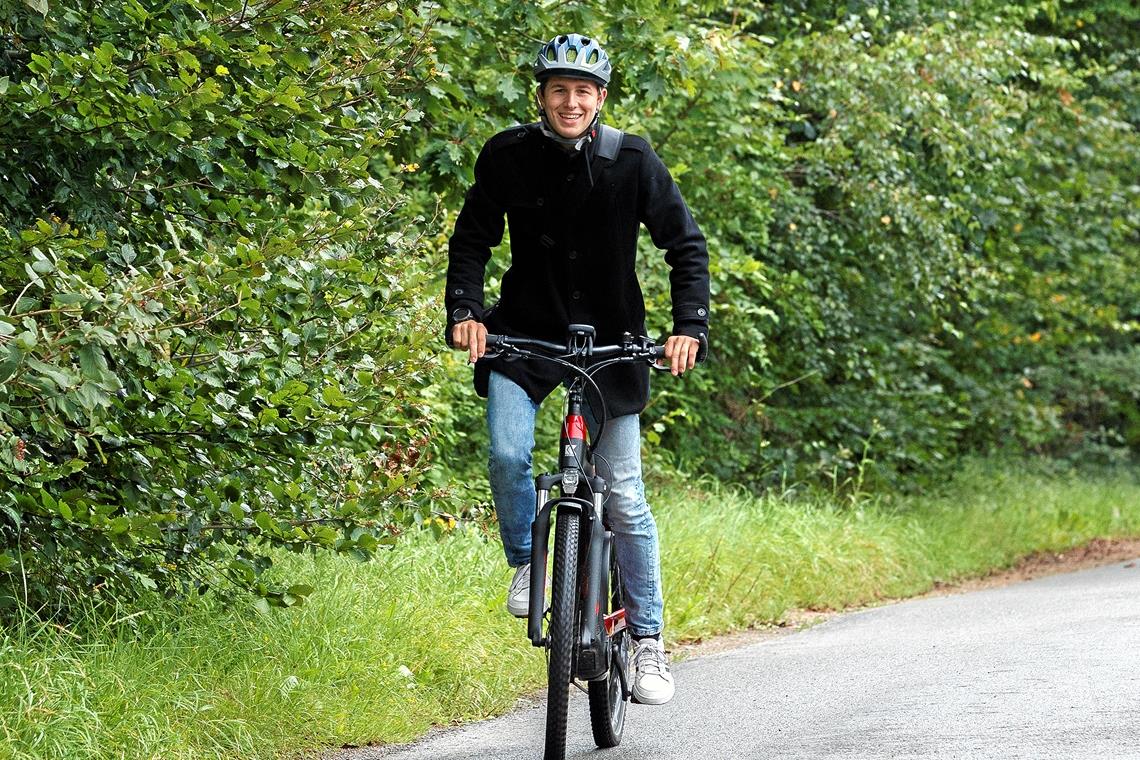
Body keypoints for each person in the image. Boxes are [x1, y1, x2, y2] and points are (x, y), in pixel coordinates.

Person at [445, 33, 710, 706]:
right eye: (558, 90)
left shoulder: (633, 161)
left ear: (601, 99)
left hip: (613, 342)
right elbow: (472, 238)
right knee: (507, 452)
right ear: (541, 96)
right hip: (523, 338)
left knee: (622, 491)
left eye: (583, 92)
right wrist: (466, 312)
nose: (571, 102)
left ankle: (648, 640)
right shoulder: (507, 156)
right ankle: (526, 563)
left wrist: (688, 329)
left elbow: (685, 244)